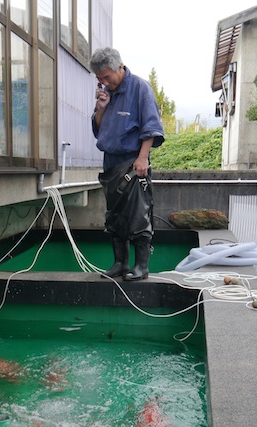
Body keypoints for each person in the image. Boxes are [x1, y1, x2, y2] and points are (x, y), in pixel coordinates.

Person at [90, 47, 164, 281]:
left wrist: (143, 158)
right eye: (99, 78)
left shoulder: (140, 88)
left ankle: (141, 266)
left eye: (106, 77)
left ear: (119, 68)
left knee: (139, 215)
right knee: (115, 216)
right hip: (110, 163)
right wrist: (101, 109)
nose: (103, 82)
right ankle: (120, 263)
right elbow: (99, 129)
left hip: (133, 162)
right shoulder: (106, 94)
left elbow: (150, 127)